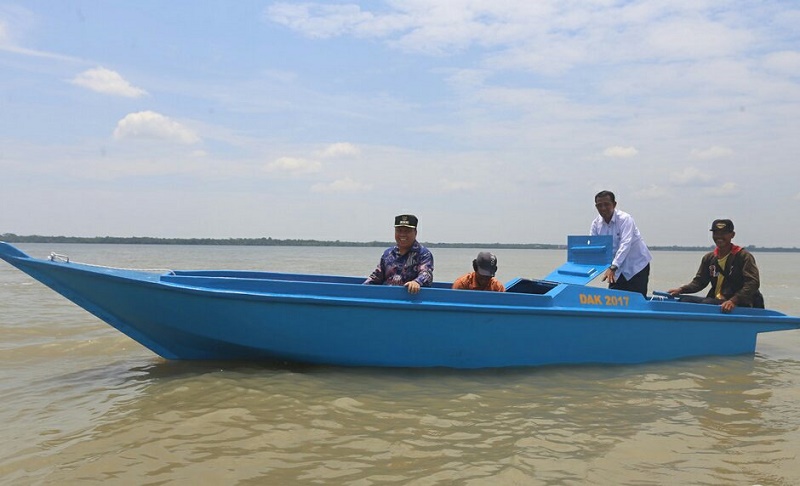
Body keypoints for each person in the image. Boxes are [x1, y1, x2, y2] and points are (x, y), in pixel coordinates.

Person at [668, 219, 764, 313]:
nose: (719, 237)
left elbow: (753, 283)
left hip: (740, 302)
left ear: (732, 235)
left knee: (707, 303)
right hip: (716, 301)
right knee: (684, 301)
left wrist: (733, 301)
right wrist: (681, 290)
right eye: (716, 233)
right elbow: (699, 282)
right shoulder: (709, 258)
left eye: (723, 233)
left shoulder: (743, 256)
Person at [590, 190, 652, 297]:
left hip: (636, 266)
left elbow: (625, 244)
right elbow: (594, 247)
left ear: (614, 204)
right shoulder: (596, 224)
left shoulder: (625, 219)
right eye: (599, 205)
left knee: (636, 301)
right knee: (612, 300)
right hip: (615, 270)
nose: (603, 208)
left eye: (606, 204)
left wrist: (613, 267)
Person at [364, 214, 434, 294]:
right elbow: (376, 277)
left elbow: (426, 274)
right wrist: (360, 290)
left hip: (412, 298)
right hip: (388, 297)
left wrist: (416, 282)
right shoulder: (388, 254)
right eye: (399, 230)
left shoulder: (423, 254)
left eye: (407, 231)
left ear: (415, 233)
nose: (402, 234)